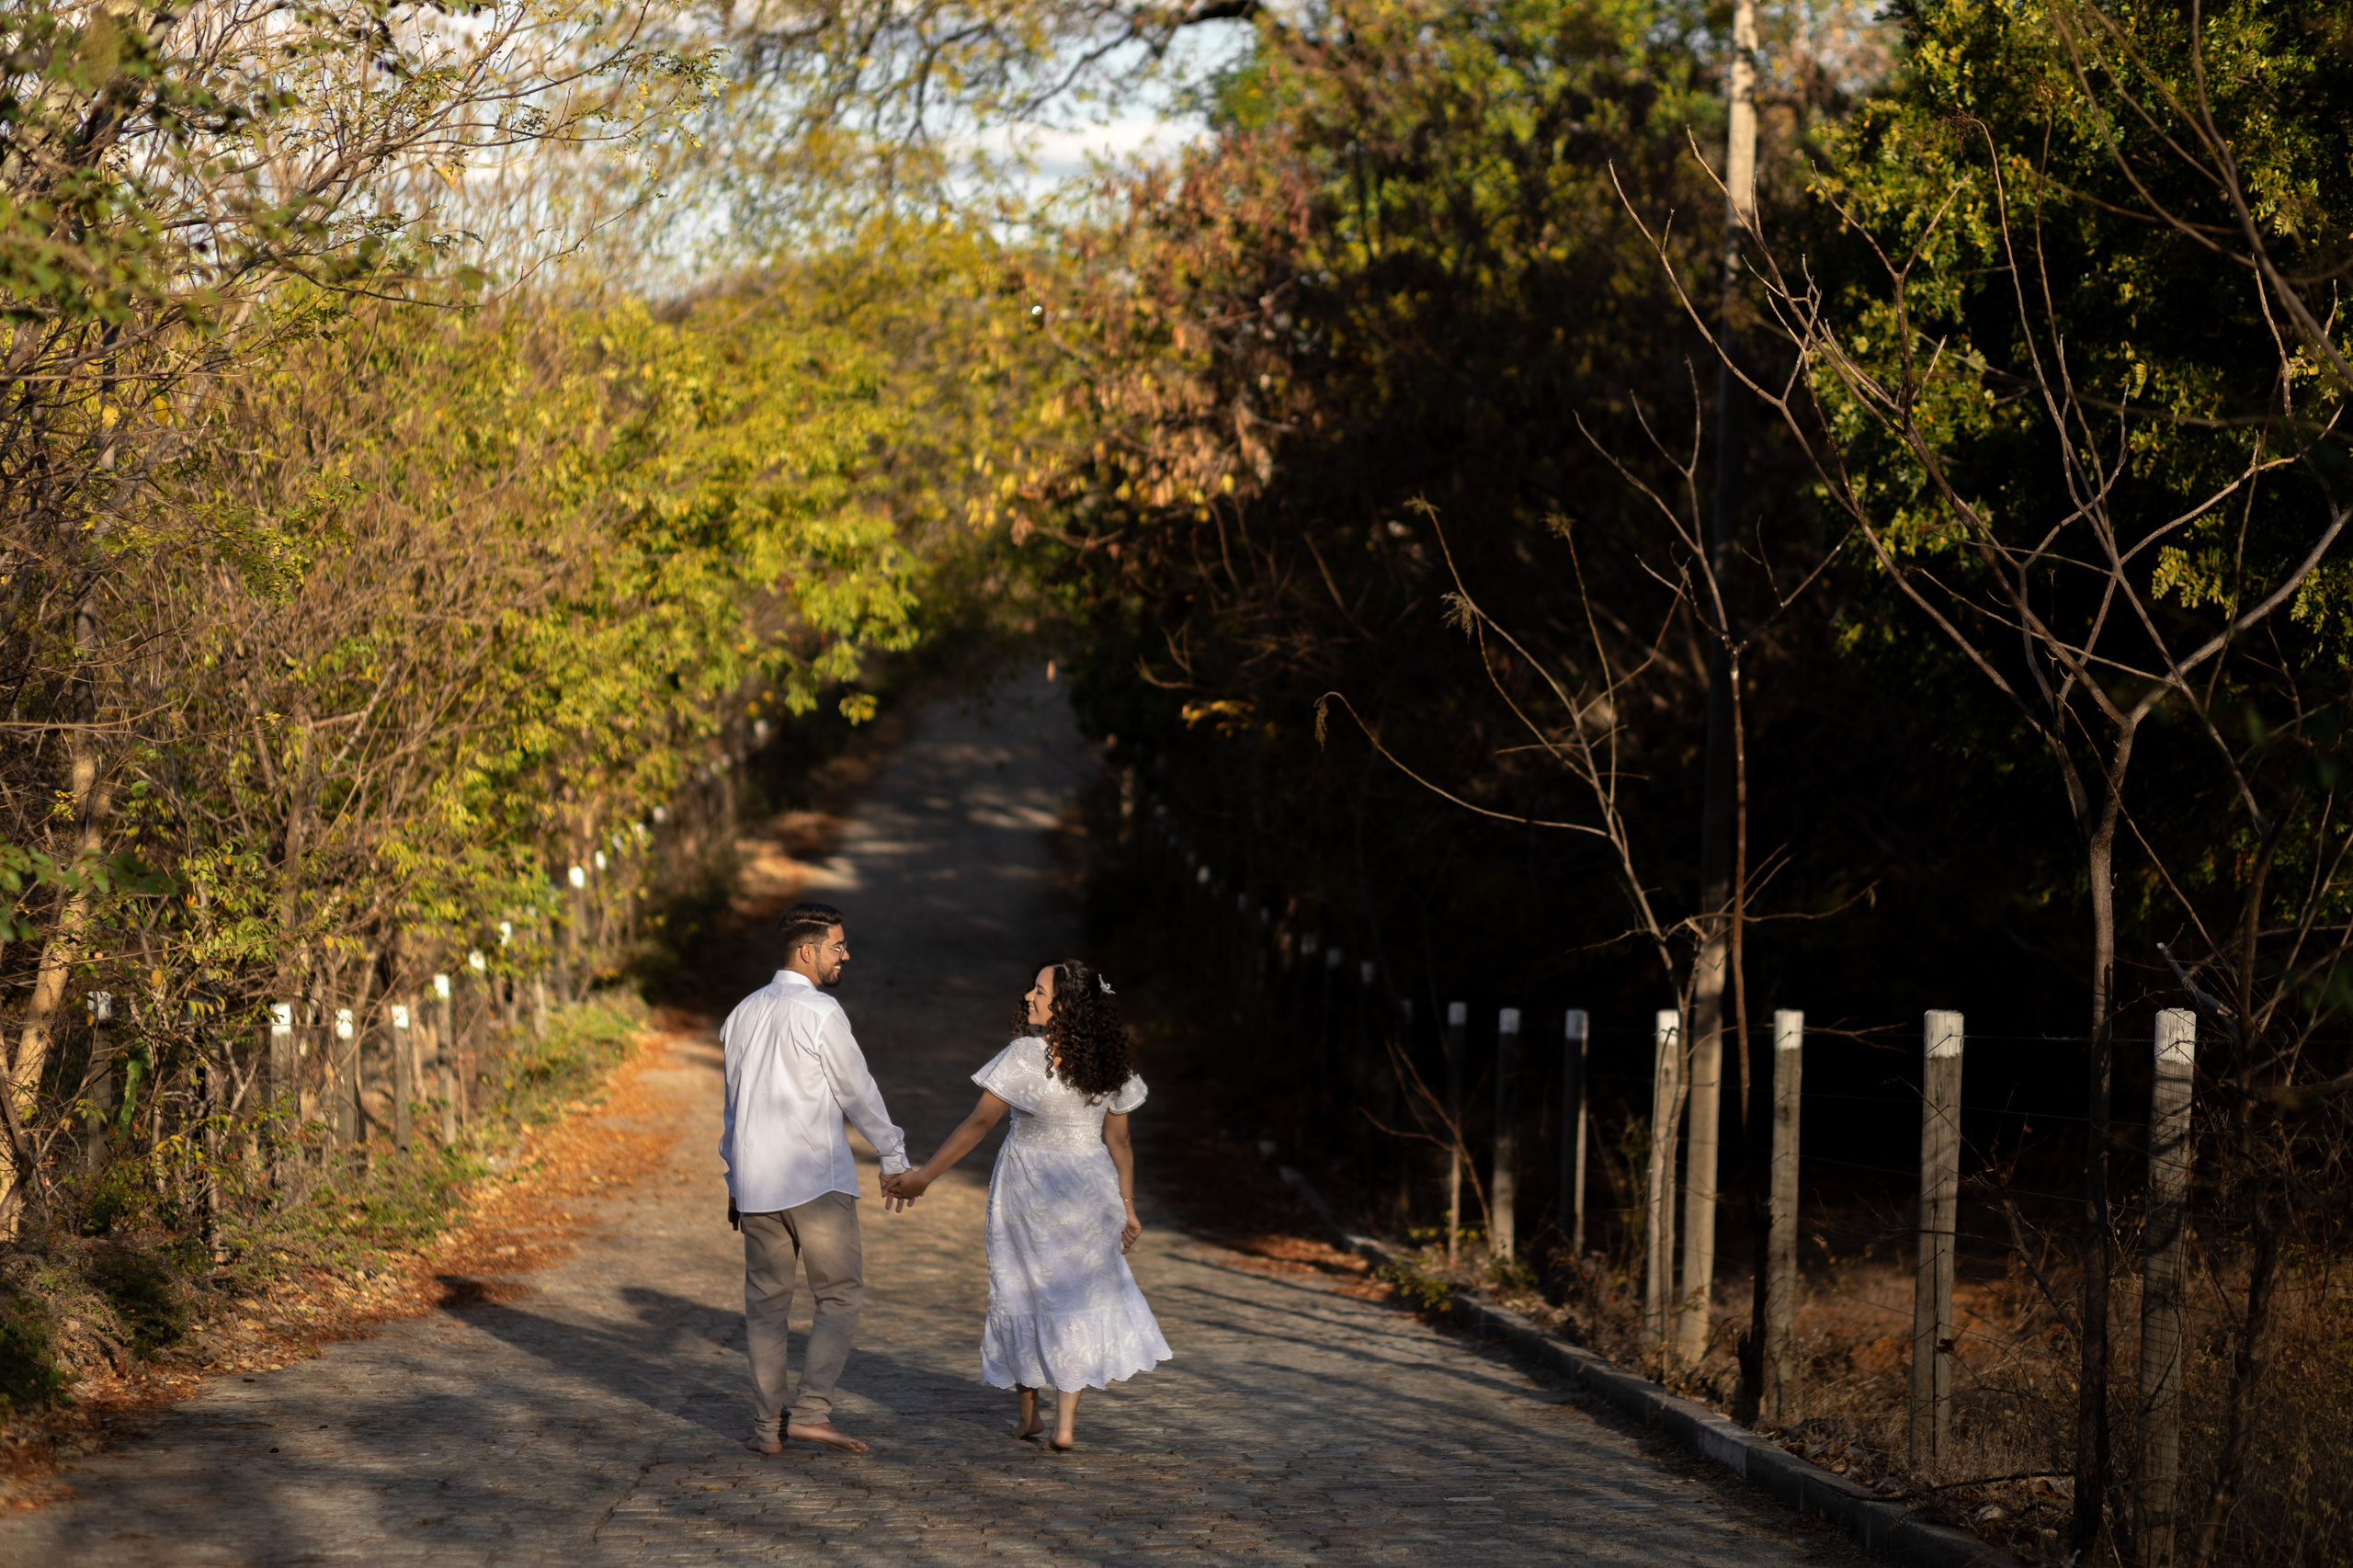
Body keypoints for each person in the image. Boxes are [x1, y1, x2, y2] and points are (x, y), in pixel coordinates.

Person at [886, 960, 1171, 1450]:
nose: (1028, 998)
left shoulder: (1025, 1054)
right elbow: (1120, 1144)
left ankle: (1028, 1417)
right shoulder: (1110, 1062)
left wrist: (923, 1178)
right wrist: (1128, 1205)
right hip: (1091, 1186)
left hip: (1028, 1185)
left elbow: (978, 1125)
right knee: (1075, 1295)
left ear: (1064, 1005)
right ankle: (1063, 1425)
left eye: (1039, 991)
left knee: (1022, 1288)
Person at [719, 901, 908, 1456]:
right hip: (814, 1181)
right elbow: (858, 1091)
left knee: (766, 1308)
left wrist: (734, 1179)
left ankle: (764, 1431)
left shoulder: (742, 1013)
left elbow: (732, 1110)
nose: (845, 954)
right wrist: (893, 1156)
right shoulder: (821, 1013)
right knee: (840, 1296)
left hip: (755, 1186)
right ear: (808, 951)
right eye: (837, 946)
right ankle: (810, 1413)